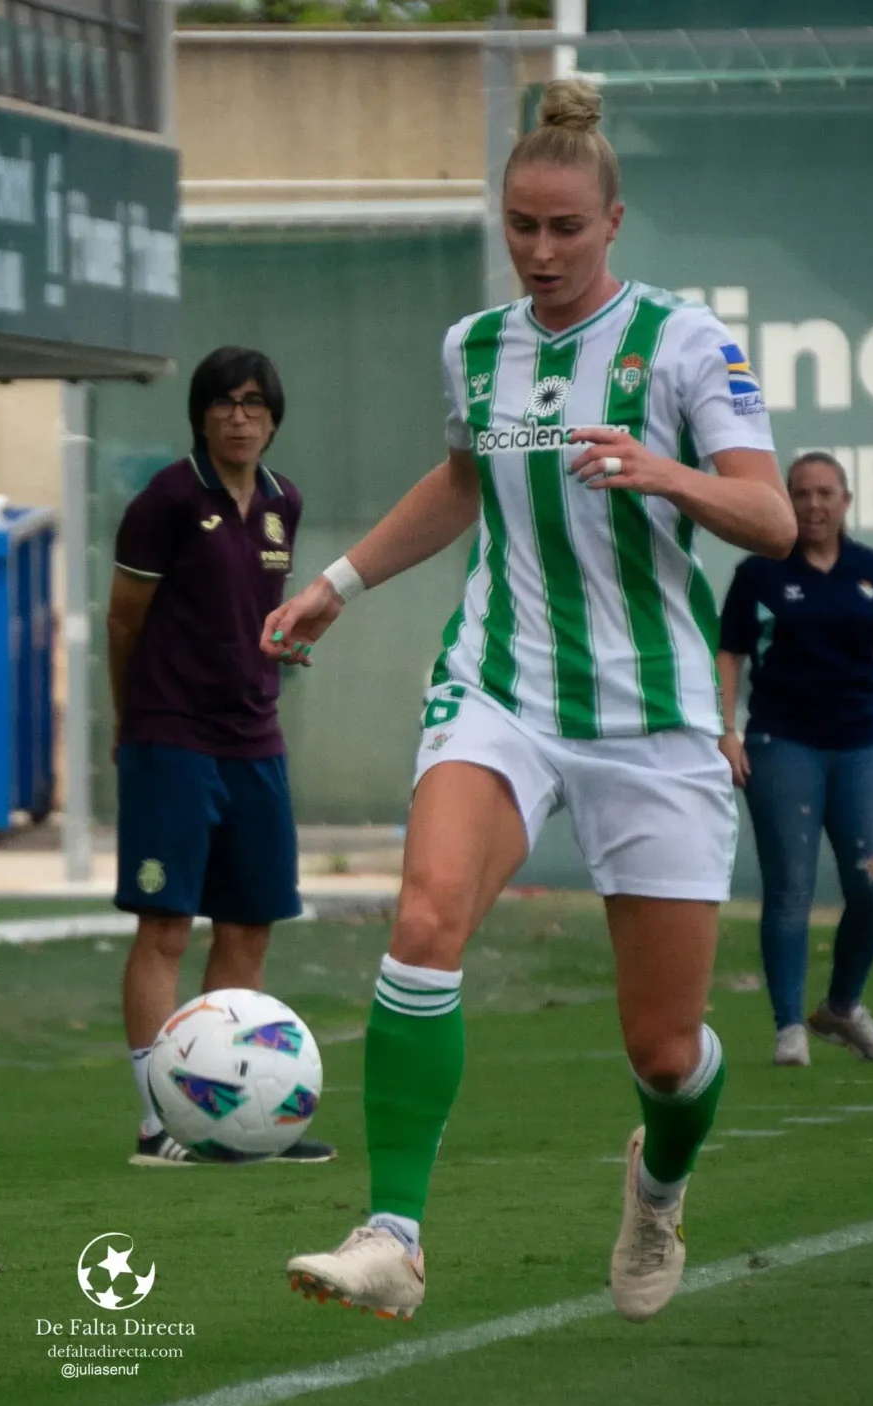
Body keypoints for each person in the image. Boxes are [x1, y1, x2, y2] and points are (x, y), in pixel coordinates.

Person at [264, 79, 794, 1323]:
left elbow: (769, 516)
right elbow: (462, 483)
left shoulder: (684, 341)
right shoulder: (475, 345)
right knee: (425, 914)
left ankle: (658, 1186)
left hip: (654, 718)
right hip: (498, 686)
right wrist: (338, 581)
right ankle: (392, 1230)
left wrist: (664, 470)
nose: (541, 252)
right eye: (521, 227)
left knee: (664, 1054)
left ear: (614, 219)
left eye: (565, 227)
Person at [107, 346, 331, 1167]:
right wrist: (130, 723)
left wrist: (278, 645)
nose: (240, 417)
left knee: (248, 927)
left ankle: (226, 1118)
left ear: (274, 417)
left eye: (254, 404)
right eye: (224, 403)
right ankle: (156, 1118)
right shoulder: (166, 499)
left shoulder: (285, 503)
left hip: (255, 740)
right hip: (171, 738)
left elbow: (257, 611)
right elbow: (124, 622)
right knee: (165, 925)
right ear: (201, 415)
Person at [716, 452, 873, 1068]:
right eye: (801, 494)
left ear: (845, 500)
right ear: (786, 501)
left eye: (825, 493)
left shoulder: (871, 570)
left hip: (860, 743)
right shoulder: (760, 573)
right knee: (791, 888)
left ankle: (842, 1007)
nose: (814, 505)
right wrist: (725, 729)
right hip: (783, 743)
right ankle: (789, 1027)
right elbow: (728, 654)